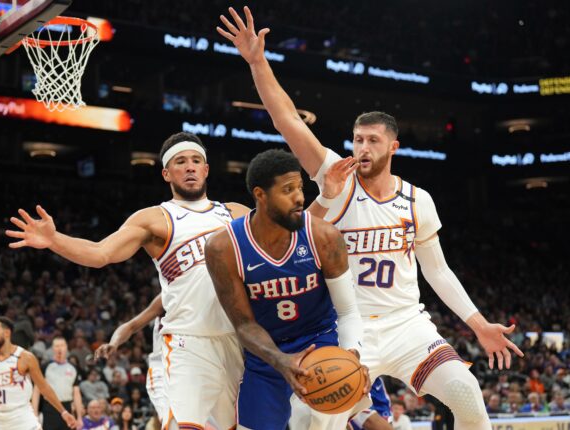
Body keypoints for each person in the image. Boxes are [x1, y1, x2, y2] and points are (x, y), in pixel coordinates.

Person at [217, 7, 524, 429]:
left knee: (465, 393)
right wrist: (258, 61)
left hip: (406, 325)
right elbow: (286, 119)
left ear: (393, 147)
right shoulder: (334, 179)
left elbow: (438, 271)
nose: (362, 147)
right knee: (318, 423)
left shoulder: (418, 200)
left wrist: (477, 324)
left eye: (372, 140)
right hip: (346, 329)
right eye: (357, 139)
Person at [6, 132, 249, 430]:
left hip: (237, 338)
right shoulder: (155, 218)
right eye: (181, 161)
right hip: (189, 341)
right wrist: (54, 240)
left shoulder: (236, 214)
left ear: (206, 169)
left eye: (196, 161)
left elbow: (282, 247)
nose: (190, 167)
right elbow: (100, 253)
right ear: (166, 173)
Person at [205, 149, 369, 430]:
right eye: (287, 190)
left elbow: (348, 310)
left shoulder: (324, 237)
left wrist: (352, 355)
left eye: (300, 188)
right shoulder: (223, 248)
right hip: (268, 352)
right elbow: (243, 325)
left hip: (321, 343)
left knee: (315, 420)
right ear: (260, 194)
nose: (299, 198)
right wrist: (281, 360)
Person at [95, 295, 221, 430]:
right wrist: (114, 343)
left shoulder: (206, 293)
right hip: (162, 370)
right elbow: (132, 325)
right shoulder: (169, 294)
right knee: (176, 424)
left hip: (196, 368)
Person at [0, 316, 76, 430]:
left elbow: (44, 387)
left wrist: (63, 412)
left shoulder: (25, 357)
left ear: (7, 333)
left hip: (21, 416)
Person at [32, 336, 84, 430]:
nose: (59, 348)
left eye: (62, 345)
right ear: (52, 349)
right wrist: (35, 414)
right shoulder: (45, 366)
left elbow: (76, 393)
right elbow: (36, 390)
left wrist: (79, 417)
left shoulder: (73, 368)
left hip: (67, 406)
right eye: (57, 346)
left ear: (67, 347)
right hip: (49, 408)